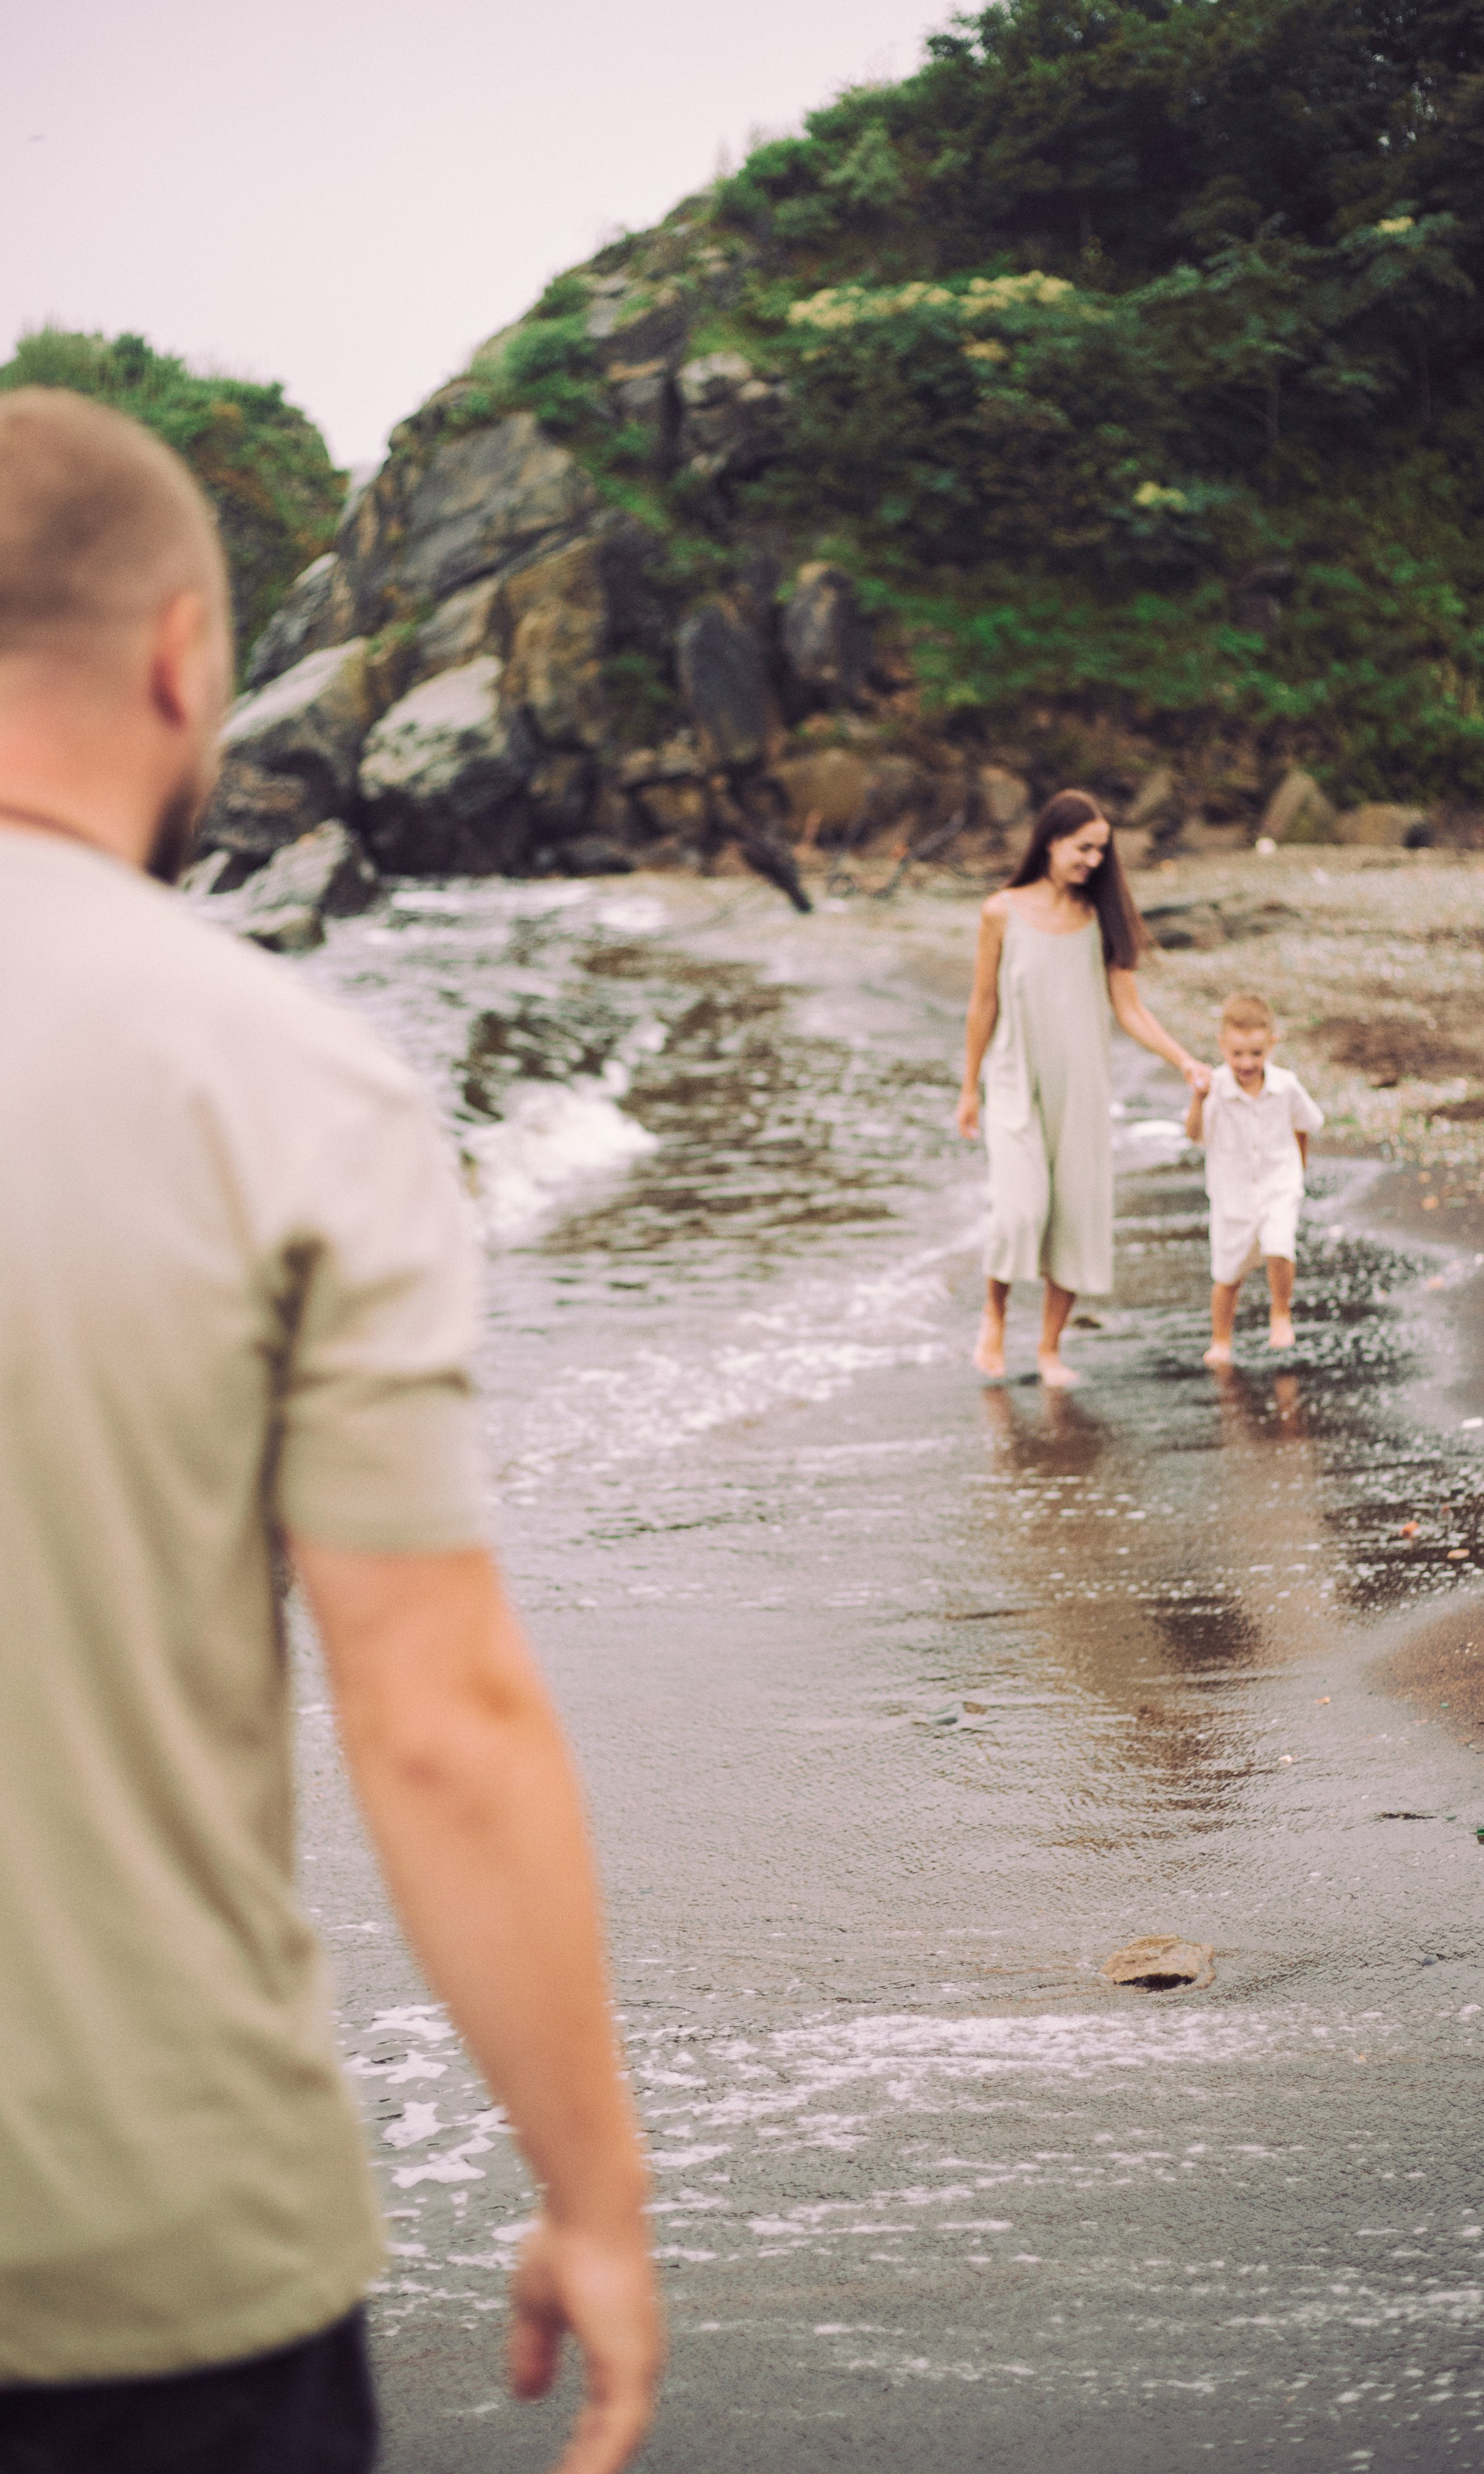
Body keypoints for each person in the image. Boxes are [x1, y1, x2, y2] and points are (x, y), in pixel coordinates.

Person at [0, 388, 660, 2471]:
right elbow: (436, 1712)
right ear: (191, 652)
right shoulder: (288, 1087)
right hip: (142, 2262)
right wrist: (593, 2197)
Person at [957, 788, 1211, 1385]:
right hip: (1016, 1078)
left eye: (1101, 851)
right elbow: (983, 1002)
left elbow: (1131, 1010)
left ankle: (1049, 1351)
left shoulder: (1101, 920)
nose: (1093, 861)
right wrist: (969, 1087)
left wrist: (1184, 1060)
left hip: (1083, 1087)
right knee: (1020, 1213)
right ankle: (993, 1316)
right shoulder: (1001, 911)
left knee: (1075, 1218)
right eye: (1083, 848)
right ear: (1051, 840)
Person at [1184, 990, 1324, 1365]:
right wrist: (1197, 1099)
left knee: (1279, 1244)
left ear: (1272, 1045)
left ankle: (1280, 1313)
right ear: (1222, 1047)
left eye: (1256, 1054)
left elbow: (1306, 1124)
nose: (1246, 1063)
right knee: (1228, 1275)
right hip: (1232, 1196)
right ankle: (1221, 1340)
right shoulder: (1214, 1089)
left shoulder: (1286, 1085)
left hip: (1278, 1183)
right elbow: (1194, 1134)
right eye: (1237, 1054)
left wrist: (1299, 1170)